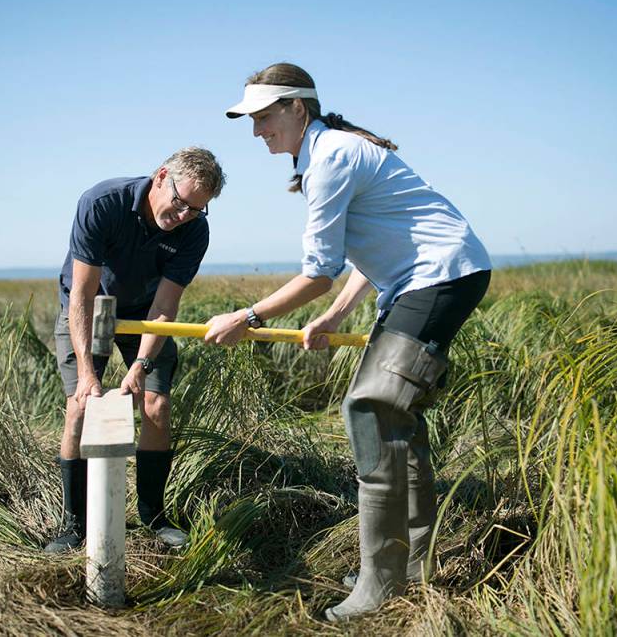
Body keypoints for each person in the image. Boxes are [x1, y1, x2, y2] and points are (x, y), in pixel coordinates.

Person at [204, 64, 491, 621]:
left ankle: (379, 584)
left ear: (297, 108)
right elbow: (373, 247)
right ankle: (410, 567)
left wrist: (248, 316)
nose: (256, 130)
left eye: (263, 117)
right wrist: (335, 316)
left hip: (441, 276)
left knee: (370, 411)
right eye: (250, 121)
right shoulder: (328, 153)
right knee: (396, 420)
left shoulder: (332, 157)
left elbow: (318, 273)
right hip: (428, 279)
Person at [46, 146, 226, 553]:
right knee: (79, 406)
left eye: (196, 210)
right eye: (180, 203)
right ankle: (74, 524)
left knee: (156, 406)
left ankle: (153, 516)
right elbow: (82, 295)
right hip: (90, 308)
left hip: (145, 314)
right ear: (161, 177)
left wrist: (142, 363)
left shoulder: (194, 230)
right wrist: (88, 373)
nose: (183, 216)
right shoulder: (102, 203)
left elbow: (165, 305)